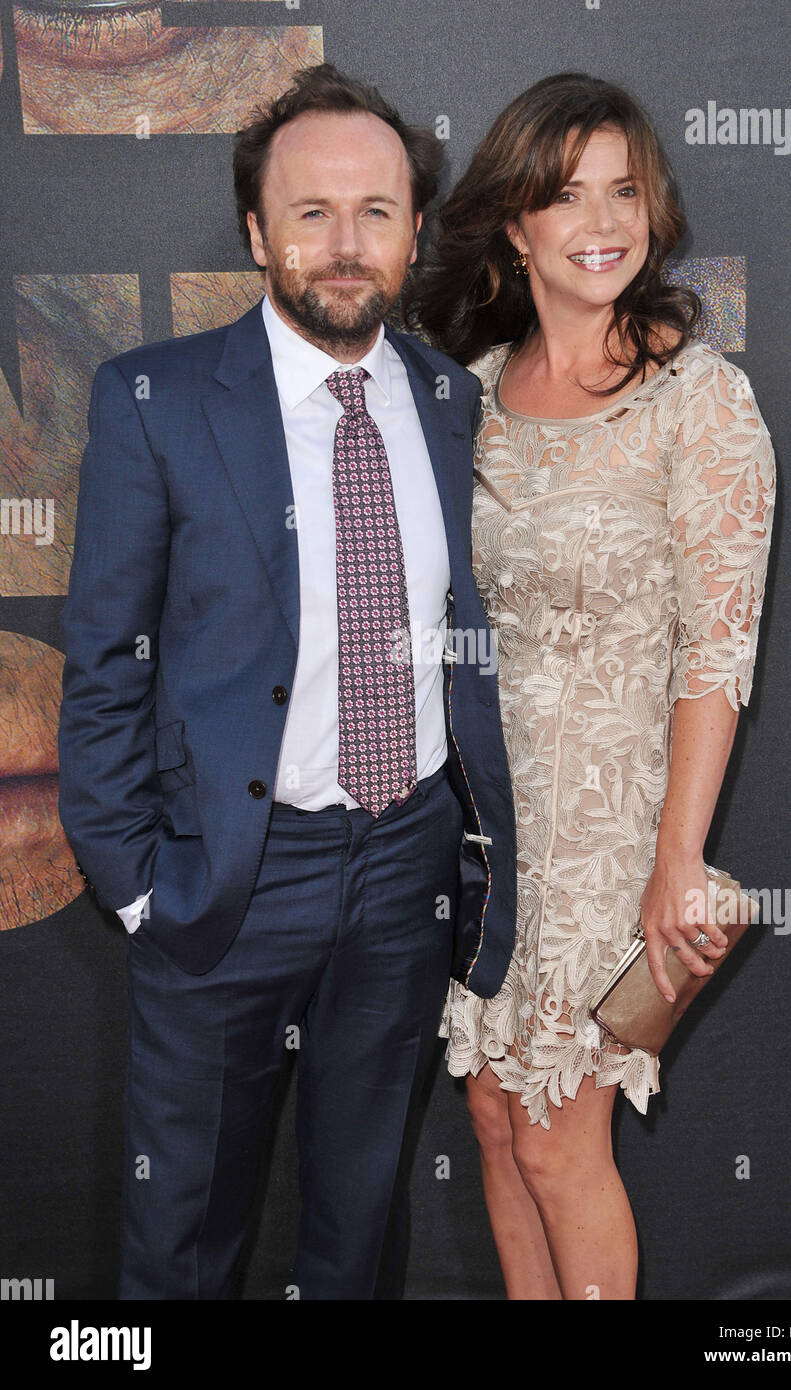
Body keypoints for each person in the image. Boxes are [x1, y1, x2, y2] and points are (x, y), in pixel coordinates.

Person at [57, 62, 517, 1301]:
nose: (345, 243)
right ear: (258, 233)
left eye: (375, 209)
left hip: (403, 868)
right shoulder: (155, 403)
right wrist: (139, 885)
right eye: (310, 212)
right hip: (227, 879)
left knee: (359, 1228)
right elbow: (103, 659)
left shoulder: (446, 398)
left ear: (414, 228)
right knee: (182, 1239)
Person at [406, 71, 776, 1300]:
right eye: (566, 196)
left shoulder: (697, 400)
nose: (603, 220)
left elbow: (716, 652)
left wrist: (680, 859)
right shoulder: (473, 399)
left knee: (562, 1139)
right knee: (497, 1126)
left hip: (616, 836)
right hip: (483, 828)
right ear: (515, 225)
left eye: (624, 189)